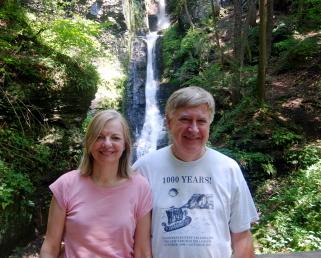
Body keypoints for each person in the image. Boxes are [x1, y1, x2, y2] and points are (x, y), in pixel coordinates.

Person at [133, 86, 259, 258]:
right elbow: (138, 240)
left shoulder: (228, 169)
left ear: (209, 124)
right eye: (185, 120)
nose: (193, 129)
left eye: (201, 121)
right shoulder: (144, 169)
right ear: (168, 122)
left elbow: (241, 235)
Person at [40, 109, 153, 258]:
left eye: (115, 138)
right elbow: (50, 246)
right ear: (89, 142)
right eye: (99, 137)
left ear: (125, 144)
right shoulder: (66, 185)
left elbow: (142, 251)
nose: (107, 144)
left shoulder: (140, 187)